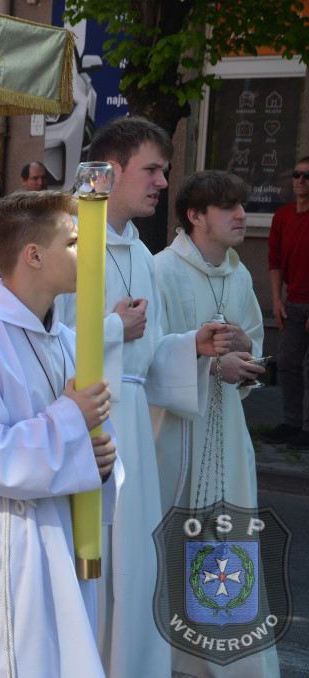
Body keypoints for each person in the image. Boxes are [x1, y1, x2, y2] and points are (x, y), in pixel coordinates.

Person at [54, 117, 231, 678]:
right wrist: (110, 329)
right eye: (152, 169)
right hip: (90, 419)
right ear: (110, 171)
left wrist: (189, 346)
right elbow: (47, 340)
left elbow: (149, 361)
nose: (162, 183)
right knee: (94, 560)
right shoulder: (70, 241)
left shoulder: (138, 253)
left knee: (134, 564)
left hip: (133, 426)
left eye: (164, 171)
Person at [0, 191, 119, 677]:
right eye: (74, 242)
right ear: (33, 255)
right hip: (4, 537)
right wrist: (69, 421)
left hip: (59, 528)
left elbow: (89, 435)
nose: (88, 254)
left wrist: (101, 459)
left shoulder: (64, 337)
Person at [151, 171, 279, 678]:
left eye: (242, 206)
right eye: (228, 207)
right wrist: (206, 366)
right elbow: (147, 360)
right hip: (175, 434)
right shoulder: (160, 271)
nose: (242, 216)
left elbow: (251, 344)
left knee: (226, 541)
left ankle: (222, 654)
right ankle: (172, 653)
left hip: (228, 436)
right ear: (194, 216)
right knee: (175, 536)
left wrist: (249, 358)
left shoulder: (239, 273)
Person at [263, 156, 309, 449]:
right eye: (297, 175)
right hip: (291, 304)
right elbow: (275, 259)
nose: (301, 181)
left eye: (307, 176)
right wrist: (276, 299)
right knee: (289, 365)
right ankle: (292, 423)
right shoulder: (282, 217)